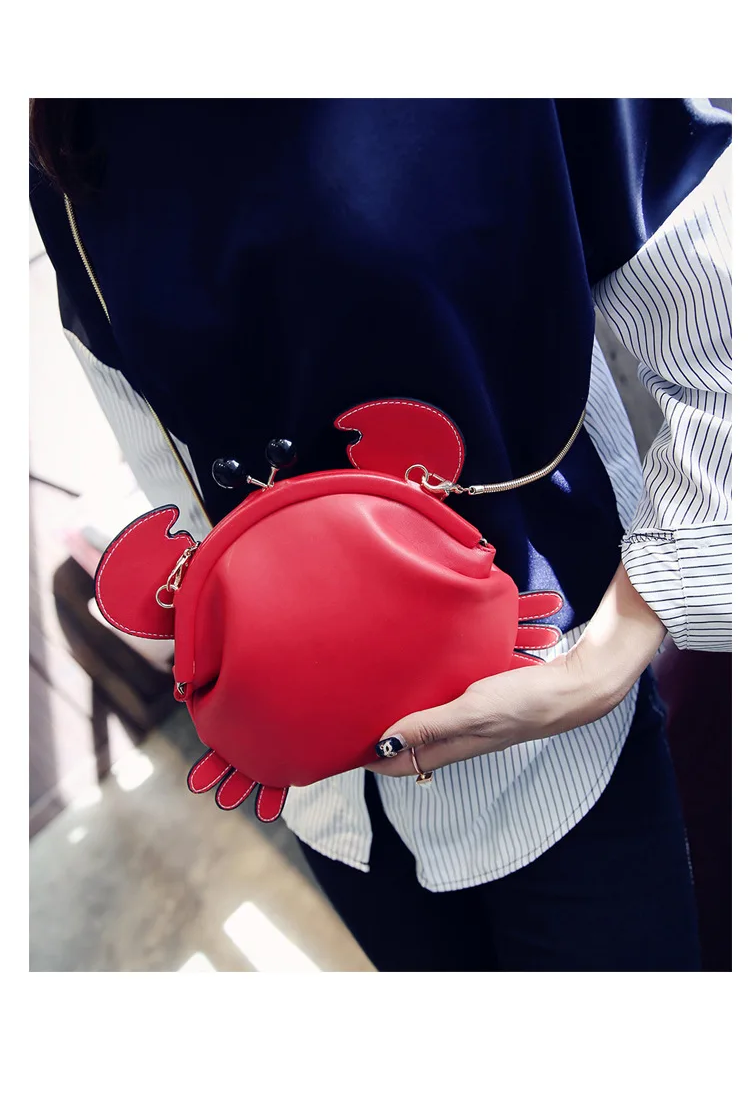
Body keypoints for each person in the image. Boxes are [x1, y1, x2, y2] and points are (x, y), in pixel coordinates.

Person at [29, 98, 732, 971]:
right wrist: (234, 680)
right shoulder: (74, 135)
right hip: (323, 797)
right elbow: (164, 465)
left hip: (555, 737)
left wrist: (604, 664)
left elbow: (723, 344)